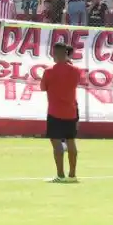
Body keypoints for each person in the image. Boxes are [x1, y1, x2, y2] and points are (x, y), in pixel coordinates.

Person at [40, 42, 80, 183]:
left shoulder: (49, 71)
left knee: (56, 143)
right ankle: (72, 175)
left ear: (56, 54)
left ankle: (60, 175)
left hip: (55, 112)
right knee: (71, 142)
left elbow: (42, 87)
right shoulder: (76, 70)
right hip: (71, 112)